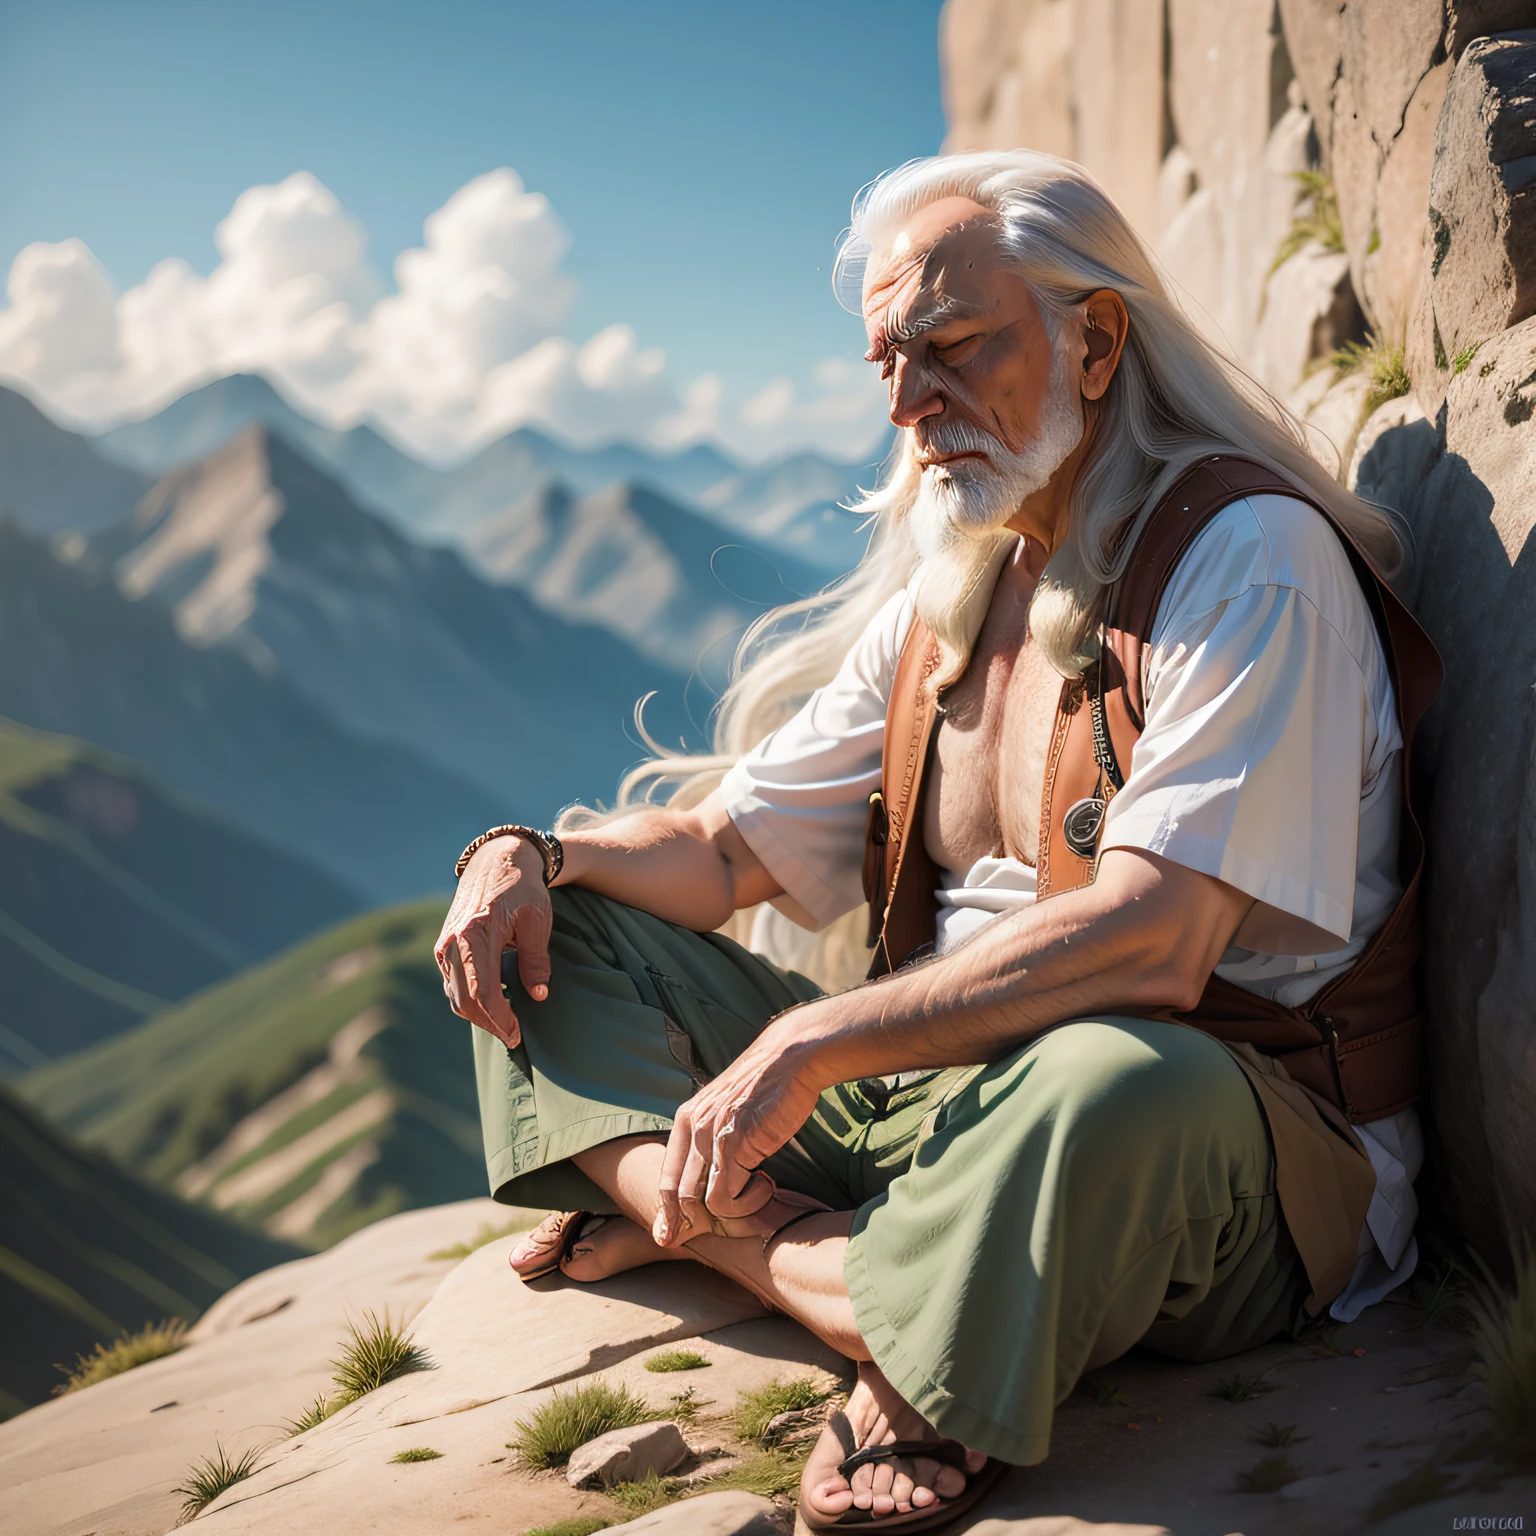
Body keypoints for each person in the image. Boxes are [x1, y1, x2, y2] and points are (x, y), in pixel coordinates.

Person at [435, 151, 1439, 1532]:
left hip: (1235, 1133)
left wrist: (806, 1046)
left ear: (1095, 343)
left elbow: (1160, 940)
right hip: (942, 1100)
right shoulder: (956, 593)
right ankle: (859, 1269)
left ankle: (742, 1244)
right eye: (889, 367)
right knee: (569, 937)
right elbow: (722, 854)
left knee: (1108, 1081)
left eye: (953, 350)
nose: (911, 407)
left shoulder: (1248, 561)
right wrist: (524, 859)